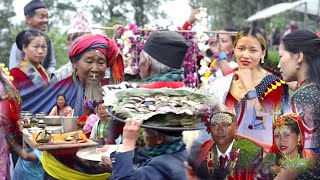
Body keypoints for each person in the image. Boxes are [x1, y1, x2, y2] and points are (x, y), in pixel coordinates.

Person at [105, 30, 189, 144]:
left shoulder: (139, 99)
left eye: (140, 59)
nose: (139, 64)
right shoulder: (186, 97)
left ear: (148, 62)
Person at [208, 28, 290, 144]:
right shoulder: (226, 80)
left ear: (263, 53)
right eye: (241, 49)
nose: (245, 55)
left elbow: (259, 125)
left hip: (259, 154)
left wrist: (249, 86)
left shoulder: (273, 84)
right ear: (234, 49)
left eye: (253, 50)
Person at [20, 33, 124, 116]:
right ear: (74, 64)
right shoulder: (61, 87)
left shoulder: (113, 90)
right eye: (89, 62)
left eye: (101, 63)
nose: (95, 69)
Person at [102, 118, 188, 180]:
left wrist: (128, 141)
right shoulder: (182, 150)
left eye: (146, 131)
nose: (143, 135)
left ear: (159, 139)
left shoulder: (161, 164)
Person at [278, 29, 320, 152]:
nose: (279, 65)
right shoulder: (311, 89)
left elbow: (299, 159)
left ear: (299, 57)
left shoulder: (305, 95)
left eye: (281, 56)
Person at [190, 110, 263, 179]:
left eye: (225, 124)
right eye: (214, 125)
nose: (220, 130)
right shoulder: (204, 150)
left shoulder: (252, 152)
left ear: (236, 127)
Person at [258, 113, 316, 179]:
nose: (281, 141)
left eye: (287, 134)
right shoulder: (269, 165)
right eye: (277, 135)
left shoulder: (311, 160)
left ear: (299, 137)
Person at [9, 0, 56, 74]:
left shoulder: (48, 42)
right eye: (42, 17)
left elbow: (52, 65)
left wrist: (47, 74)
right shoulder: (20, 43)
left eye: (47, 16)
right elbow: (13, 70)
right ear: (28, 19)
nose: (46, 20)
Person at [51, 10, 92, 83]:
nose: (84, 48)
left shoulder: (100, 74)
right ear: (68, 44)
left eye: (87, 43)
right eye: (78, 44)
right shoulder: (59, 77)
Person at [0, 63, 22, 179]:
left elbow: (10, 107)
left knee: (4, 161)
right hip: (7, 130)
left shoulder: (5, 87)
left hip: (6, 132)